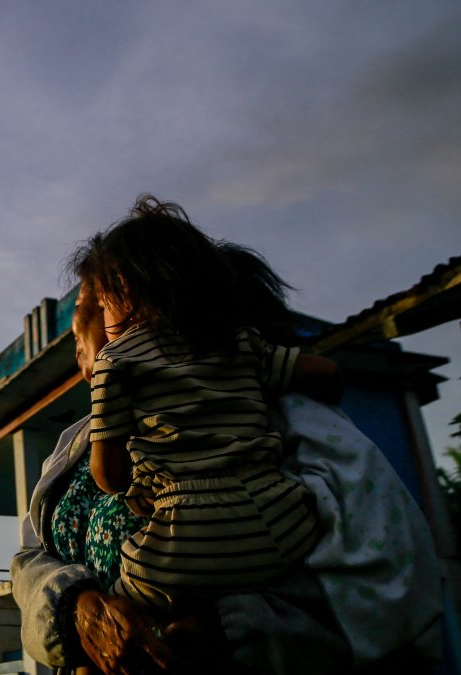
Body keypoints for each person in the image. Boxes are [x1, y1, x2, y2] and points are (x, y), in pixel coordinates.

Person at [11, 235, 443, 674]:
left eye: (92, 303)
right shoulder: (77, 444)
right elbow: (30, 560)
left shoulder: (284, 422)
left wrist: (232, 630)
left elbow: (388, 590)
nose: (77, 326)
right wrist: (77, 609)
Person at [72, 196, 341, 612]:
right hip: (282, 526)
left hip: (185, 539)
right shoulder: (241, 343)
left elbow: (108, 475)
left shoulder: (118, 361)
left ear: (124, 294)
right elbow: (327, 373)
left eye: (102, 305)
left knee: (119, 612)